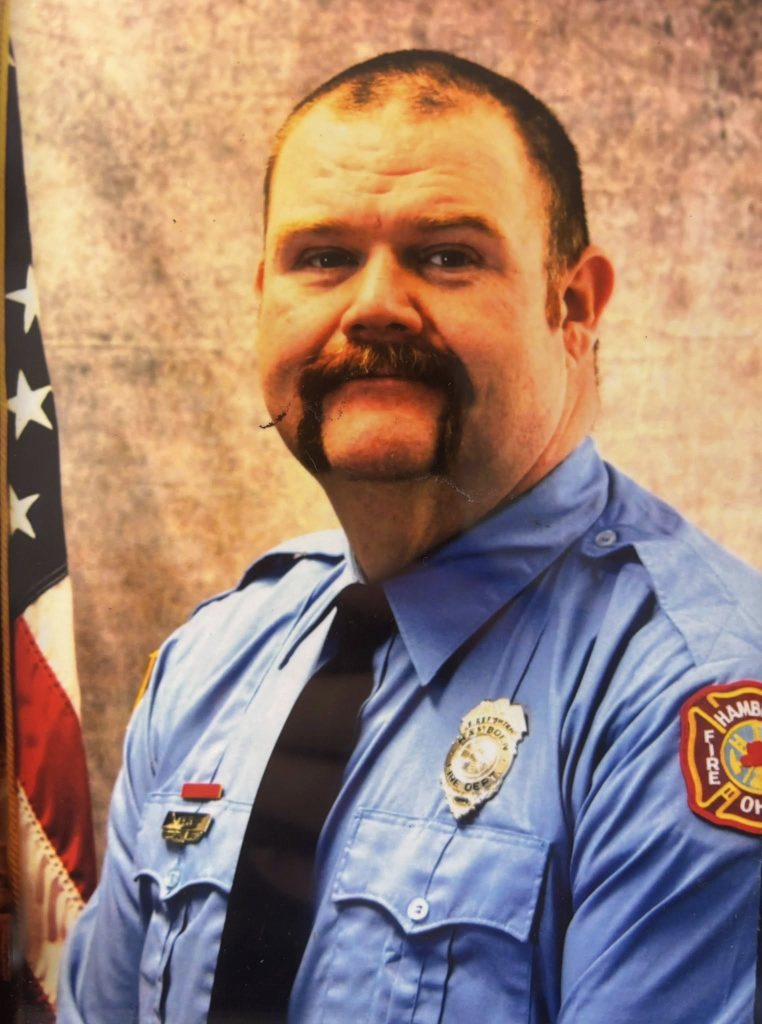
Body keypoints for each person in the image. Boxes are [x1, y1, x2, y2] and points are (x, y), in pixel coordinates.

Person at [58, 50, 761, 1023]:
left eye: (446, 254)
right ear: (264, 294)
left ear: (576, 305)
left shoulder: (686, 693)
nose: (376, 303)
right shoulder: (210, 663)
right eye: (323, 258)